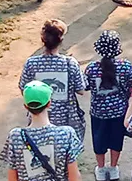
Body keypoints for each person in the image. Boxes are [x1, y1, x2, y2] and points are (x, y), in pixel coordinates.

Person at [19, 19, 87, 148]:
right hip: (67, 120)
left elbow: (24, 88)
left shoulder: (31, 63)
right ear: (61, 40)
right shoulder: (70, 63)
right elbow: (81, 89)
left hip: (39, 118)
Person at [85, 30, 132, 181]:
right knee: (116, 139)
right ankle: (113, 167)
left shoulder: (91, 68)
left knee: (98, 139)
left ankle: (101, 169)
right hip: (119, 112)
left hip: (98, 112)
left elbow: (86, 87)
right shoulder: (125, 66)